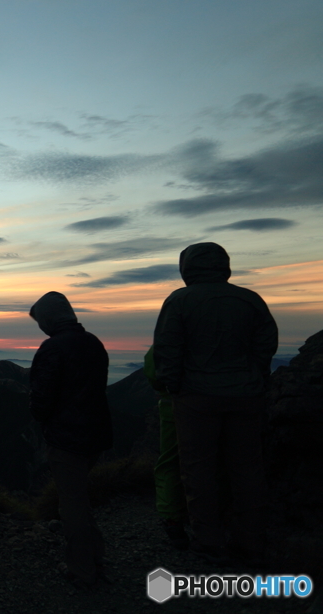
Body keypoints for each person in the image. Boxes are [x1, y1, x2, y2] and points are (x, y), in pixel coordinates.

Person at [153, 242, 277, 565]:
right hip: (246, 397)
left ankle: (208, 543)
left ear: (187, 268)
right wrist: (255, 376)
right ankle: (252, 543)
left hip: (196, 400)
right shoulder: (250, 300)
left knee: (199, 471)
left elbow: (167, 350)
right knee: (248, 469)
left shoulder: (179, 301)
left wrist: (175, 386)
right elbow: (266, 343)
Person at [29, 291, 112, 589]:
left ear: (49, 319)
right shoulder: (93, 343)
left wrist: (39, 415)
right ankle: (95, 557)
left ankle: (82, 570)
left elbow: (42, 399)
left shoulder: (52, 348)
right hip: (96, 433)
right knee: (80, 497)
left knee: (72, 504)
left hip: (67, 437)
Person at [142, 348, 189, 550]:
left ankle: (174, 521)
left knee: (171, 462)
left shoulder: (176, 323)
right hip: (237, 398)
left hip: (178, 404)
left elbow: (154, 370)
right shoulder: (240, 318)